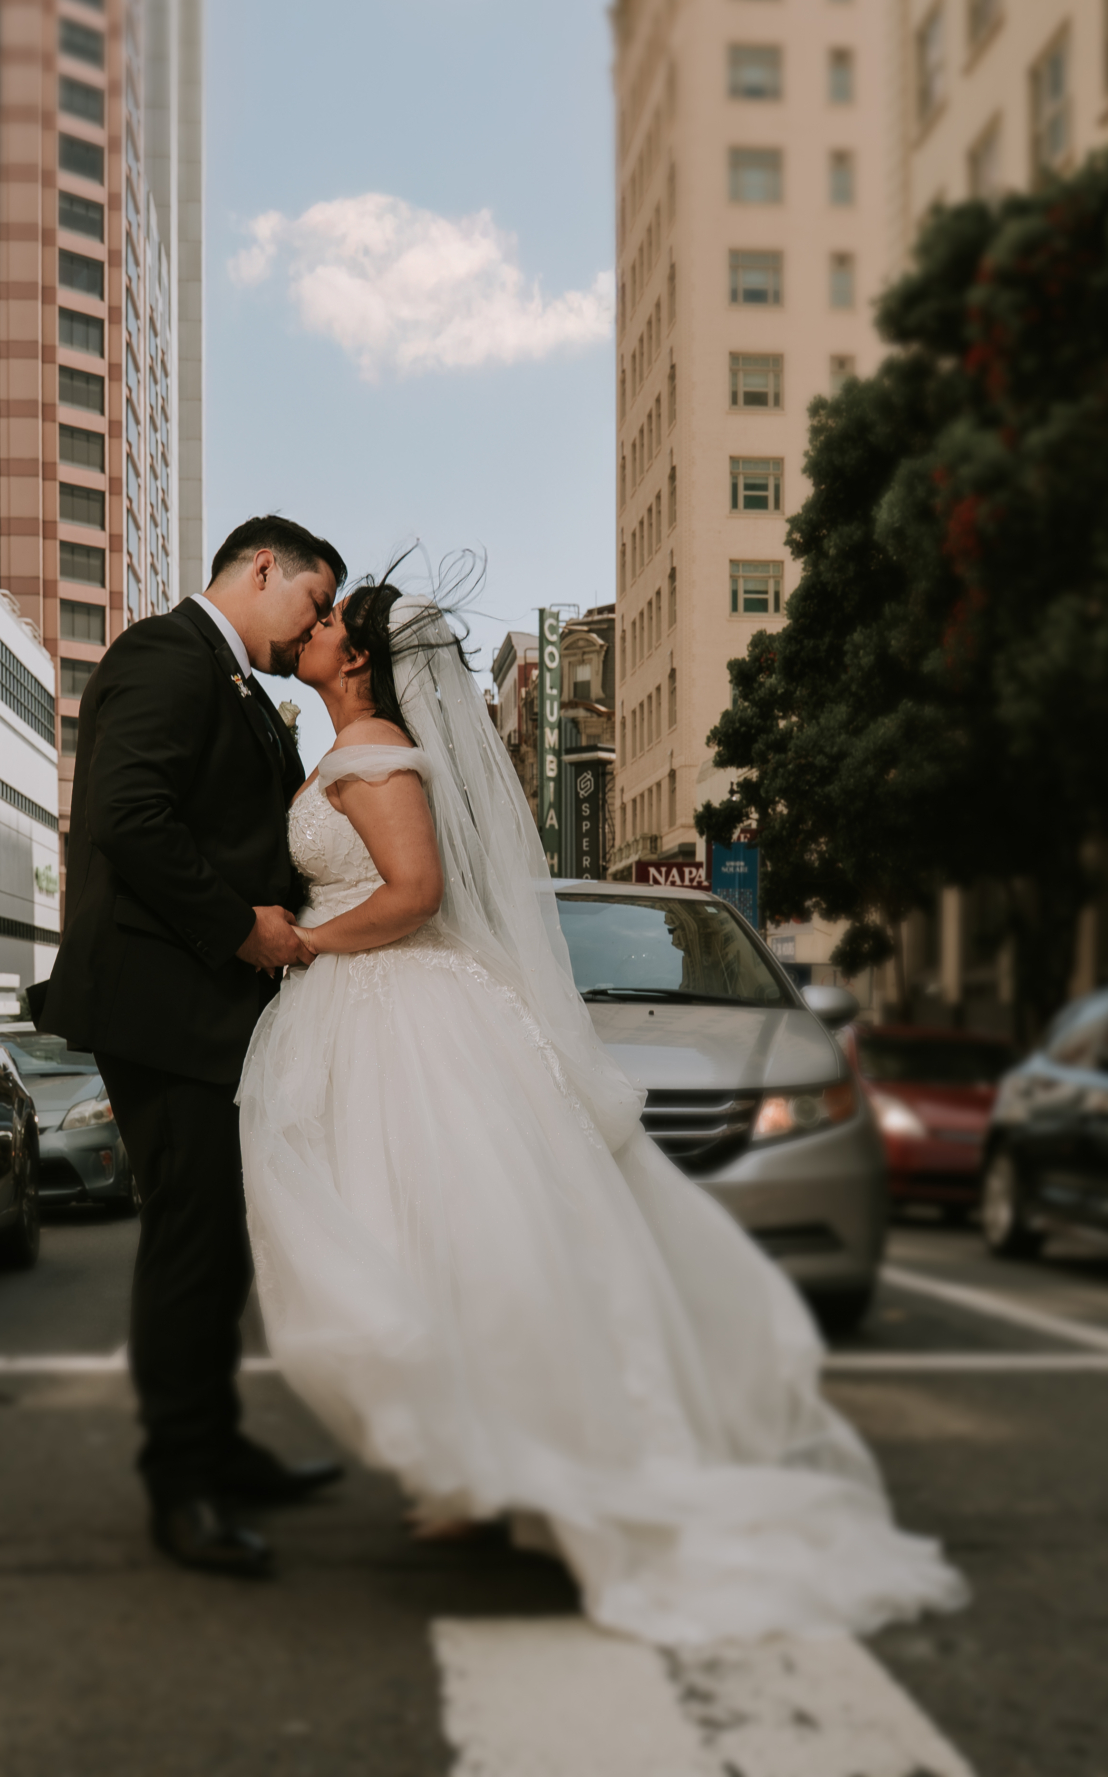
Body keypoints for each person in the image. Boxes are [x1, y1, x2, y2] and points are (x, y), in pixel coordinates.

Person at [238, 580, 967, 1644]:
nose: (315, 629)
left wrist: (305, 941)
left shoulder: (380, 752)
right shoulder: (352, 746)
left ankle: (505, 1458)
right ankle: (468, 1464)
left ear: (359, 659)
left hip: (403, 1007)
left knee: (445, 1237)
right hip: (374, 1009)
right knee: (422, 1238)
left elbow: (415, 892)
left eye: (333, 620)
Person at [43, 515, 348, 1577]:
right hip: (164, 1009)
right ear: (264, 567)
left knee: (219, 1244)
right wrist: (242, 925)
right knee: (190, 1240)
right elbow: (130, 815)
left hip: (207, 1012)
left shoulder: (233, 684)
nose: (310, 629)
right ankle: (182, 1485)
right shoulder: (165, 655)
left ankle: (218, 1447)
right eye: (312, 603)